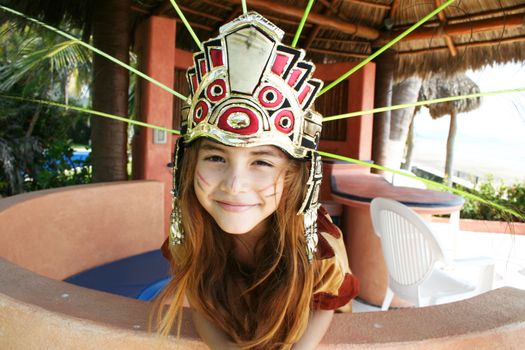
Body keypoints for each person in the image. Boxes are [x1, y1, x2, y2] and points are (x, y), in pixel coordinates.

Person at [154, 12, 359, 349]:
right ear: (187, 165)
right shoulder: (191, 231)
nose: (235, 185)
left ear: (295, 175)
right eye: (216, 157)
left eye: (261, 161)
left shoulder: (321, 245)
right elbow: (198, 296)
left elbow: (326, 301)